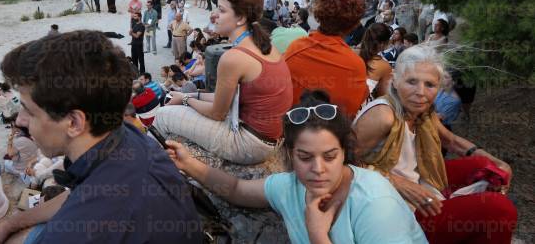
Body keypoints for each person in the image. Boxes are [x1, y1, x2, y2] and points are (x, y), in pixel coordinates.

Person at [0, 31, 202, 244]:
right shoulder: (126, 136)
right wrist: (10, 224)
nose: (21, 120)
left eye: (29, 111)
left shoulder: (77, 231)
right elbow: (81, 194)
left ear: (74, 122)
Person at [166, 91, 427, 244]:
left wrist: (317, 234)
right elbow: (236, 188)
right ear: (289, 154)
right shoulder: (290, 186)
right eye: (305, 157)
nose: (318, 169)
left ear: (344, 153)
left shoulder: (374, 203)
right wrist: (188, 164)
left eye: (329, 156)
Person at [353, 45, 517, 244]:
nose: (420, 92)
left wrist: (497, 162)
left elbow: (450, 140)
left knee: (484, 166)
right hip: (395, 205)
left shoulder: (422, 111)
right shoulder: (383, 116)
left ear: (438, 87)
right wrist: (396, 182)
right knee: (500, 209)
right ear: (395, 81)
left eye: (429, 85)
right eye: (411, 81)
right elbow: (344, 161)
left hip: (419, 181)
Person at [154, 0, 293, 165]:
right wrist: (193, 94)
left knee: (162, 117)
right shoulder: (263, 44)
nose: (214, 16)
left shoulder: (233, 58)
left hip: (250, 144)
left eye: (221, 10)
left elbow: (217, 113)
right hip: (269, 138)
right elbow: (230, 99)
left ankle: (154, 168)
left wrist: (186, 99)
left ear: (241, 18)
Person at [284, 0, 368, 118]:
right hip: (332, 135)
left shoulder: (295, 48)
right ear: (353, 24)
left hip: (294, 128)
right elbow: (351, 110)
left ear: (319, 14)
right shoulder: (356, 65)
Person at [358, 23, 393, 100]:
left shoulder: (350, 53)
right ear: (383, 44)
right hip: (362, 108)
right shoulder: (384, 66)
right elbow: (383, 96)